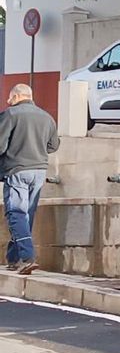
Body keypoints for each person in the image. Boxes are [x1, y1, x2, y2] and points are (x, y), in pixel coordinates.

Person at [0, 84, 59, 275]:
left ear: (17, 96)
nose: (8, 102)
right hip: (39, 171)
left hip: (17, 169)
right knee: (27, 215)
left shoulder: (11, 114)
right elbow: (53, 145)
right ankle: (14, 258)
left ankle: (27, 257)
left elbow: (0, 145)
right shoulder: (46, 117)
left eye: (10, 98)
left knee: (15, 213)